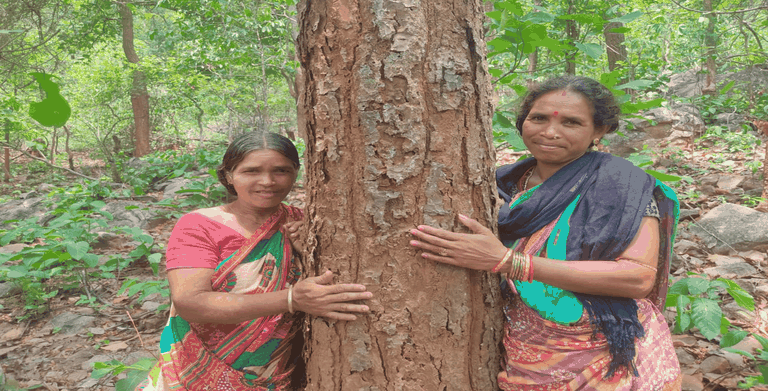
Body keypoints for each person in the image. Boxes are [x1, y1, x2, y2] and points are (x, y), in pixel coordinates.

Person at [409, 76, 682, 390]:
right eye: (537, 118)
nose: (550, 132)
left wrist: (510, 262)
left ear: (599, 130)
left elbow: (638, 277)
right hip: (521, 352)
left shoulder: (622, 187)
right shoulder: (500, 184)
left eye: (572, 122)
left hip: (604, 357)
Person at [139, 131, 373, 391]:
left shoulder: (306, 222)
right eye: (251, 171)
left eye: (281, 170)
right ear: (229, 175)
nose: (268, 181)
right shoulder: (199, 226)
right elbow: (190, 301)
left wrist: (307, 250)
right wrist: (291, 299)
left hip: (274, 373)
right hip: (196, 370)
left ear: (296, 173)